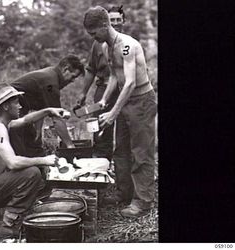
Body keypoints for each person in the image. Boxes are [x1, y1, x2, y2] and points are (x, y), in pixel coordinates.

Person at [83, 6, 157, 217]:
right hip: (125, 102)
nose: (93, 37)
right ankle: (125, 193)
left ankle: (143, 202)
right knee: (121, 150)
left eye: (94, 32)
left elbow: (131, 82)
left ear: (105, 25)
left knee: (141, 152)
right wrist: (105, 99)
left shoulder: (126, 45)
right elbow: (116, 76)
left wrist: (114, 113)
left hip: (141, 101)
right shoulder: (106, 46)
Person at [0, 83, 66, 239]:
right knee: (32, 174)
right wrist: (43, 160)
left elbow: (24, 120)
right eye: (16, 102)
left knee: (29, 176)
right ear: (6, 107)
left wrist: (48, 111)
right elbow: (12, 163)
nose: (20, 106)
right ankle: (9, 226)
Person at [8, 54, 85, 158]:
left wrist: (38, 129)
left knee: (34, 143)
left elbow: (42, 107)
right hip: (9, 108)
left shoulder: (52, 74)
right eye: (73, 77)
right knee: (21, 149)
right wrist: (70, 146)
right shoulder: (51, 82)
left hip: (17, 107)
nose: (72, 81)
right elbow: (57, 118)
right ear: (65, 69)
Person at [77, 5, 126, 161]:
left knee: (124, 127)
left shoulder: (128, 43)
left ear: (123, 21)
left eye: (119, 19)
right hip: (103, 87)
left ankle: (122, 162)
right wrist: (83, 93)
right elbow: (91, 69)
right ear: (106, 22)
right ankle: (102, 160)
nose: (116, 23)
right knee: (100, 126)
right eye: (113, 20)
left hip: (124, 89)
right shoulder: (98, 43)